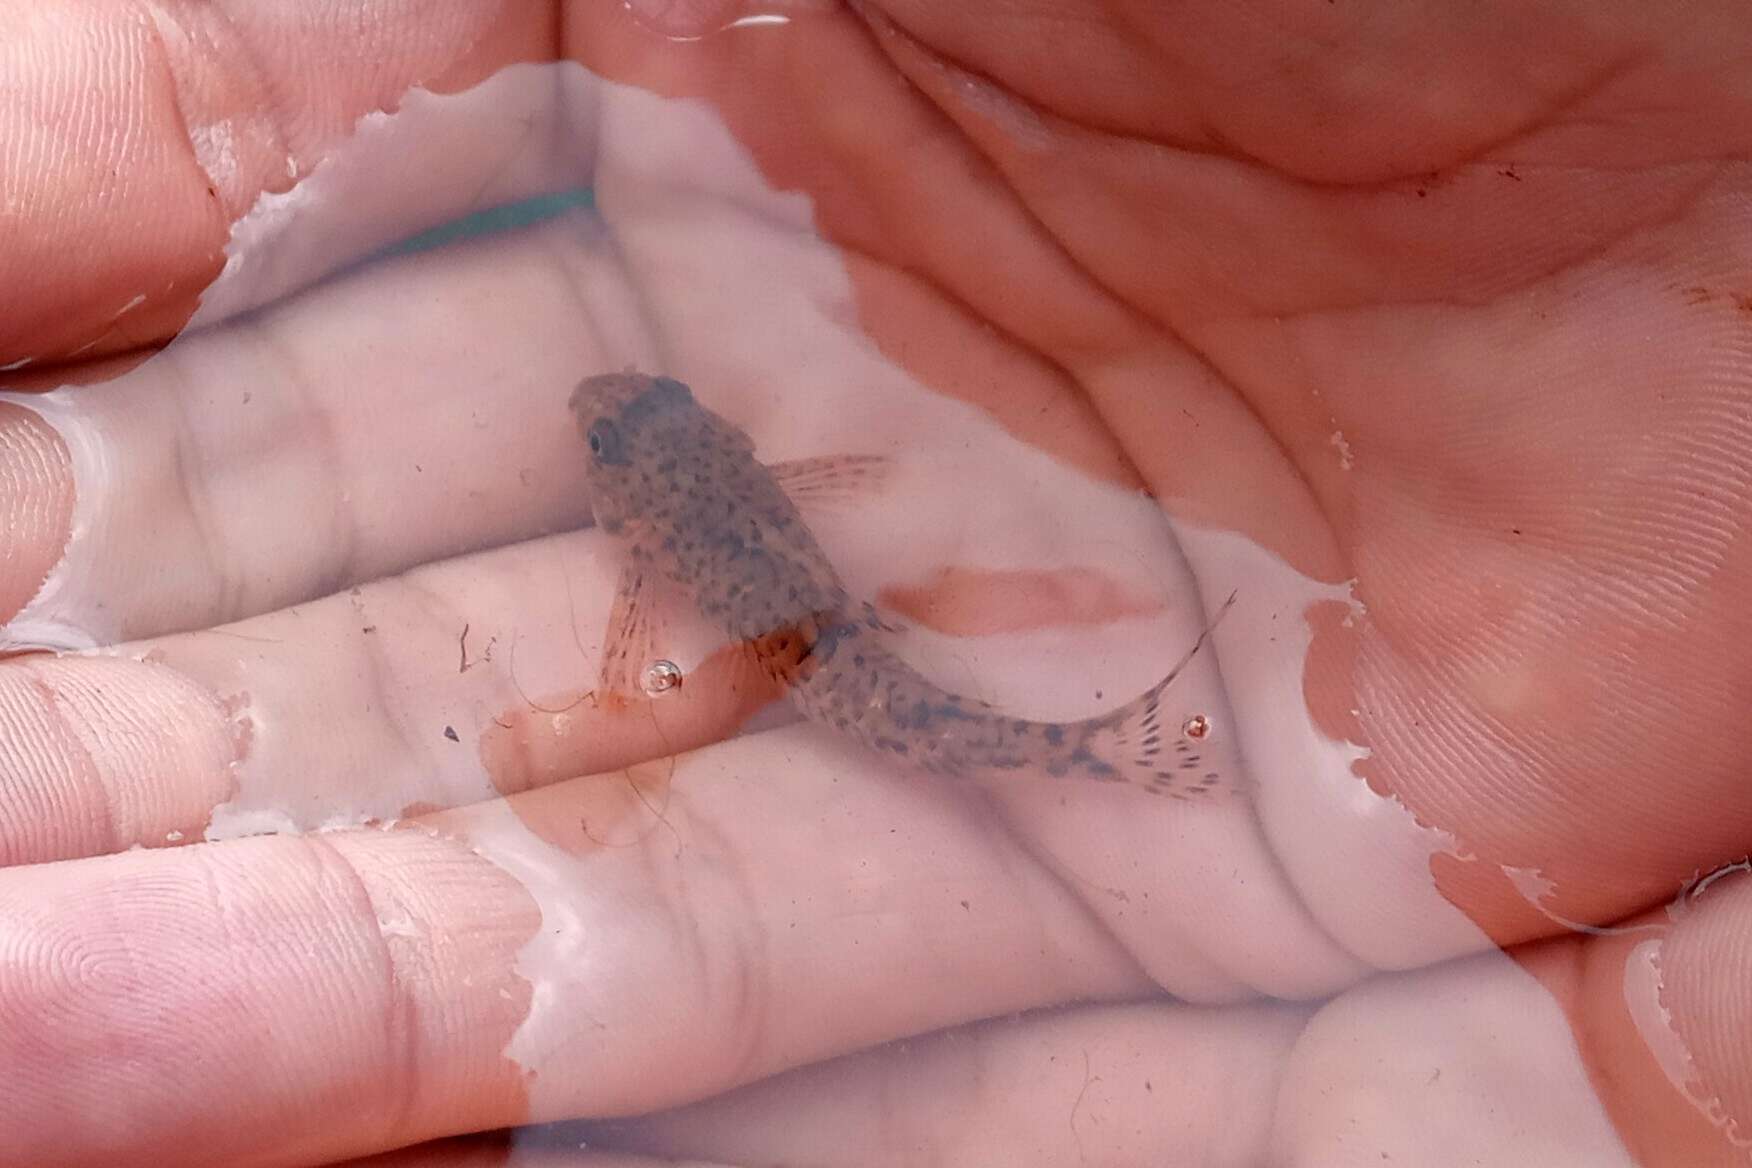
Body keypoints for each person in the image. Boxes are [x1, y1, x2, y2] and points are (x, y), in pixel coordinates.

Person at [0, 2, 1746, 1164]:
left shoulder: (666, 524)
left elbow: (656, 607)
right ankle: (1103, 745)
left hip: (836, 654)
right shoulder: (721, 495)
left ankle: (1108, 746)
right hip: (837, 649)